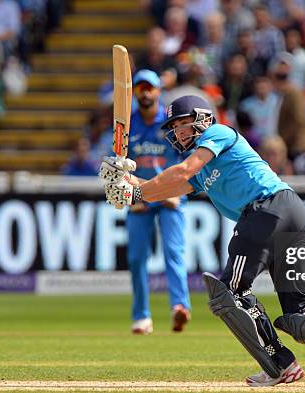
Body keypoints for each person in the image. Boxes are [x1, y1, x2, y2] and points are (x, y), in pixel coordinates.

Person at [99, 95, 305, 387]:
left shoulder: (218, 133)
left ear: (202, 119)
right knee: (299, 315)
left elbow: (182, 170)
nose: (177, 132)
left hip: (266, 211)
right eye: (174, 128)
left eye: (182, 124)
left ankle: (280, 365)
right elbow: (167, 187)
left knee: (229, 293)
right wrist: (124, 180)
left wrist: (136, 192)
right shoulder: (201, 168)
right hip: (293, 213)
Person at [112, 70, 191, 335]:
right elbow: (118, 166)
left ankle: (180, 307)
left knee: (173, 252)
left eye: (150, 88)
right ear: (135, 93)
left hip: (170, 195)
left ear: (158, 91)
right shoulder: (127, 125)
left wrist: (177, 192)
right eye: (141, 88)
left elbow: (188, 159)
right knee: (136, 258)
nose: (146, 93)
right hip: (140, 197)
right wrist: (130, 194)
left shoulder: (170, 123)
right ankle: (142, 317)